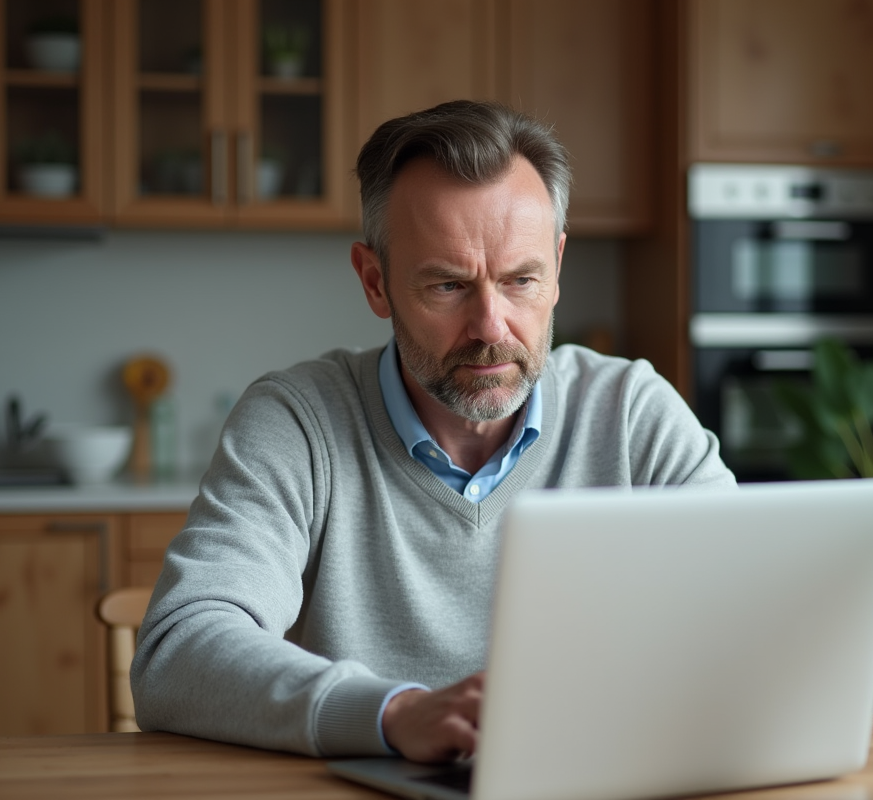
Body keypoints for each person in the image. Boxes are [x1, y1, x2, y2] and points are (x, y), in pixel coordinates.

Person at [131, 99, 736, 763]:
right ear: (375, 281)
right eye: (449, 286)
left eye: (521, 281)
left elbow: (753, 612)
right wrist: (394, 715)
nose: (491, 326)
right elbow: (178, 653)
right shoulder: (298, 422)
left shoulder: (630, 415)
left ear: (557, 269)